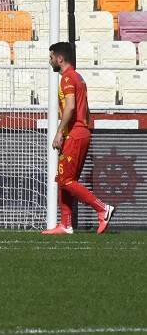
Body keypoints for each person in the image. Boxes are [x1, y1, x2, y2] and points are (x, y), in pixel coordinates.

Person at [42, 42, 116, 235]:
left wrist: (60, 132)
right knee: (65, 179)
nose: (50, 61)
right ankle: (65, 225)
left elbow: (71, 106)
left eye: (51, 58)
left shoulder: (67, 78)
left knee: (65, 180)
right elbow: (86, 109)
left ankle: (102, 208)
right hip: (80, 132)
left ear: (60, 59)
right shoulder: (79, 78)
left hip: (74, 133)